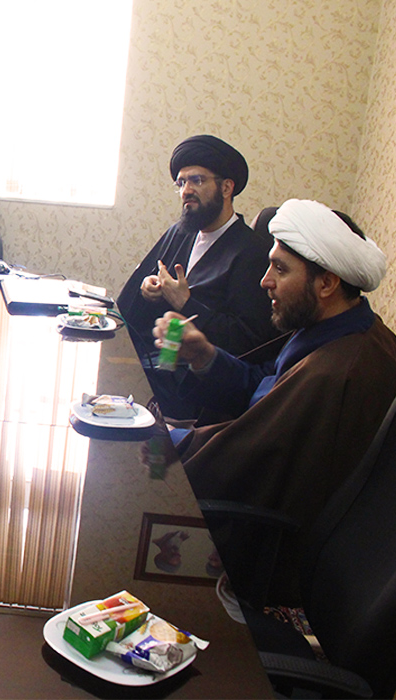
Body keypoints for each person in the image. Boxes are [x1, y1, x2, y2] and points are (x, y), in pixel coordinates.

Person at [154, 199, 396, 604]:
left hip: (279, 558)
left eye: (280, 269)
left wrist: (160, 441)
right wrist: (204, 355)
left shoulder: (333, 374)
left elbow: (241, 455)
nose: (265, 281)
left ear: (326, 283)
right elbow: (264, 386)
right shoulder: (341, 326)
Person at [117, 135, 279, 418]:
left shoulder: (252, 252)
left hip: (194, 388)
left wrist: (187, 303)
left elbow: (248, 342)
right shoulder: (179, 233)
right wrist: (148, 290)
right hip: (156, 362)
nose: (186, 191)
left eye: (197, 180)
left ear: (226, 187)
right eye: (181, 183)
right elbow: (130, 305)